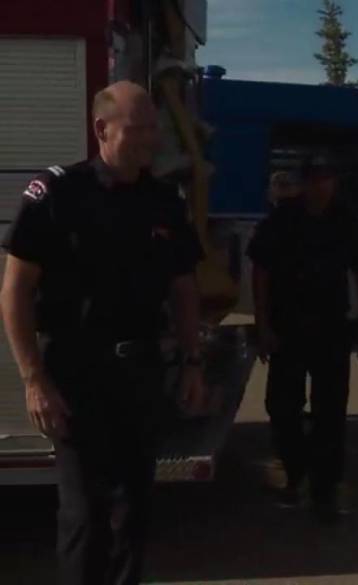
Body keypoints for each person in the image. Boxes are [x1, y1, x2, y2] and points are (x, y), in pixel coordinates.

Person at [0, 81, 206, 585]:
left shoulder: (163, 201)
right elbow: (15, 292)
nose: (150, 140)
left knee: (134, 512)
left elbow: (183, 288)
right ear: (101, 129)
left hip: (141, 374)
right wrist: (34, 380)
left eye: (153, 129)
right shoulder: (58, 194)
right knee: (86, 517)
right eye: (138, 129)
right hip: (75, 376)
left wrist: (192, 362)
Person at [247, 152, 358, 524]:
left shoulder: (345, 220)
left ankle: (325, 491)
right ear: (304, 183)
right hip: (287, 330)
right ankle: (296, 472)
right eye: (314, 179)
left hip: (331, 330)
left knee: (330, 413)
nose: (321, 186)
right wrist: (263, 325)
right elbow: (261, 272)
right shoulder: (281, 220)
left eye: (327, 178)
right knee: (281, 408)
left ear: (334, 182)